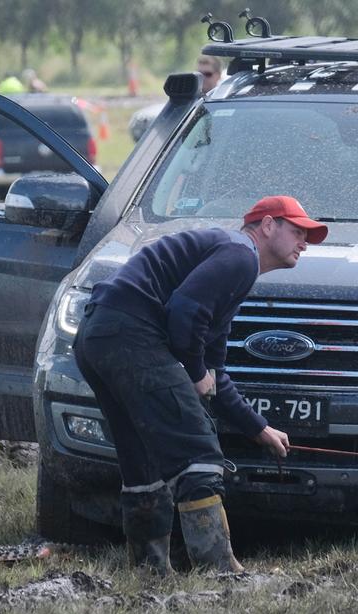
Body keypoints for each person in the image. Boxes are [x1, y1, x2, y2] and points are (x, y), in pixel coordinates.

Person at [74, 196, 328, 575]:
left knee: (142, 458)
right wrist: (193, 372)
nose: (304, 242)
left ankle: (149, 573)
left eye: (307, 236)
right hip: (131, 333)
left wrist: (258, 428)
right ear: (268, 226)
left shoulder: (229, 265)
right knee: (197, 451)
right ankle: (219, 569)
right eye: (297, 231)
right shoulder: (240, 255)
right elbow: (185, 311)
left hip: (97, 336)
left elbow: (215, 372)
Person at [128, 54, 226, 141]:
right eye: (199, 74)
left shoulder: (225, 102)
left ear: (218, 75)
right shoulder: (185, 102)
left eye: (208, 74)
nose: (203, 78)